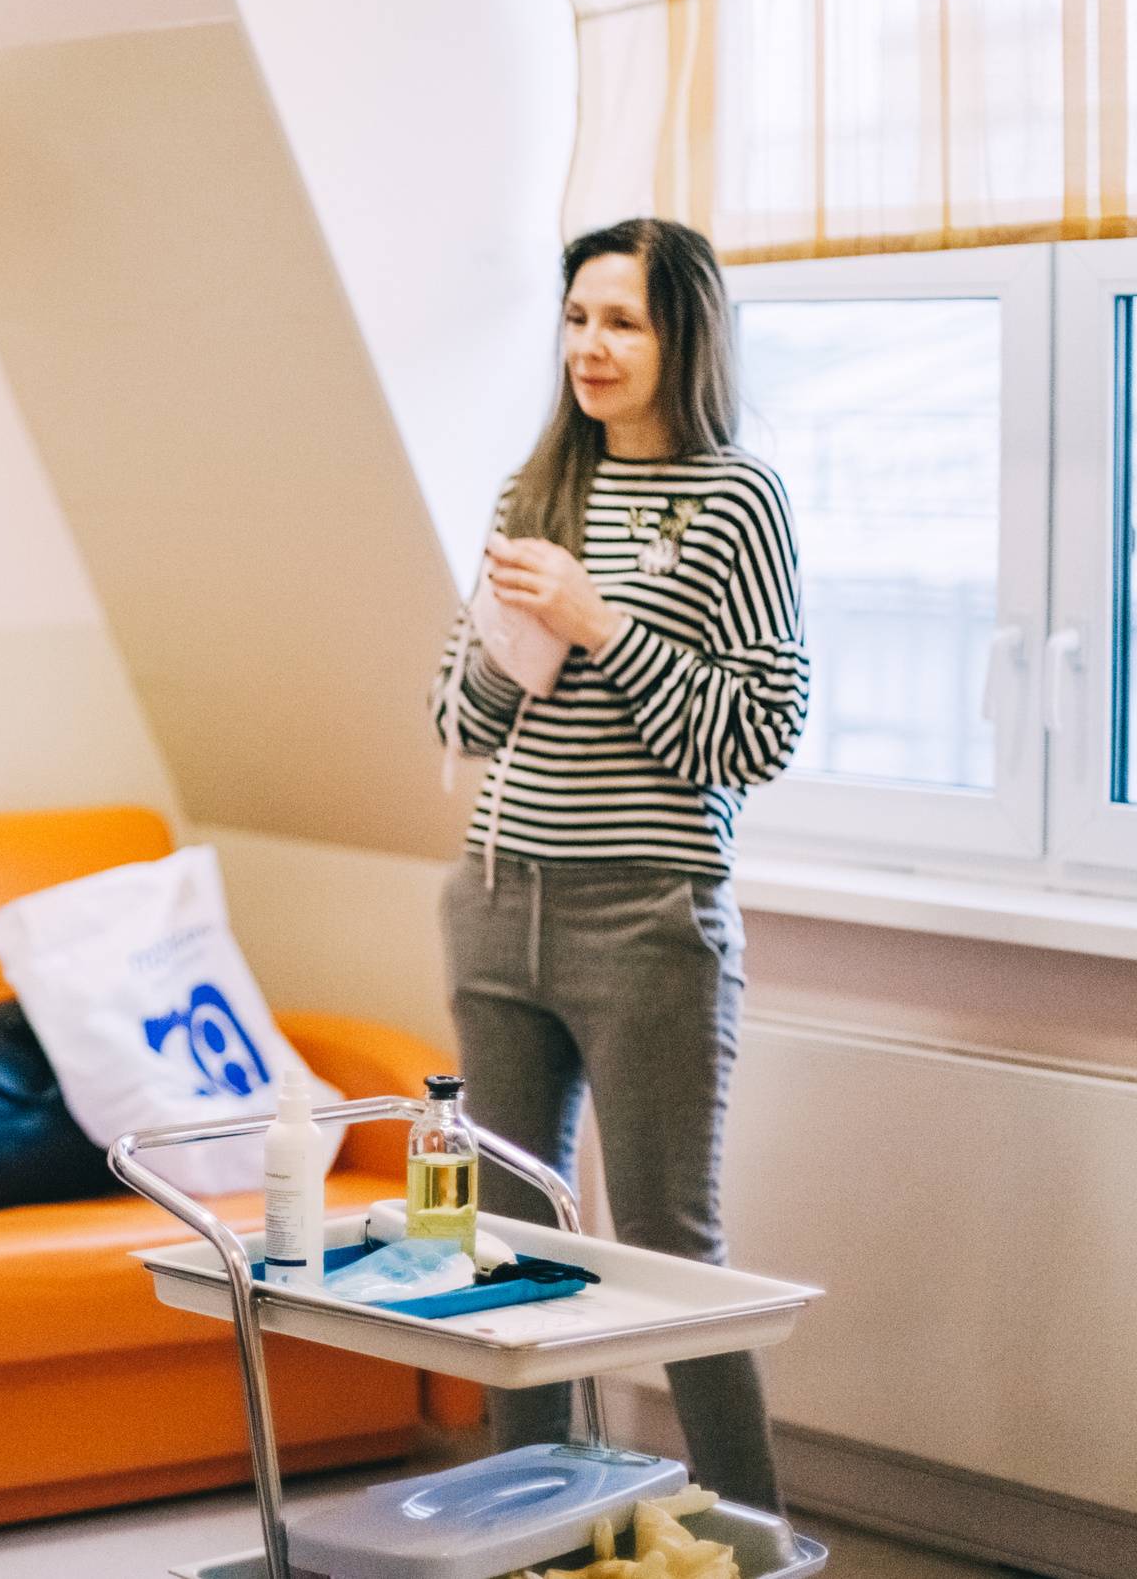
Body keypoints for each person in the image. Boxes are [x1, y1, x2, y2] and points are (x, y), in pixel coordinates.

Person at [428, 217, 807, 1509]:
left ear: (682, 335)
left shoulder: (736, 501)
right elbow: (458, 719)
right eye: (577, 318)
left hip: (649, 918)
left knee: (670, 1248)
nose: (590, 346)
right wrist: (512, 637)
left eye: (623, 322)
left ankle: (751, 1539)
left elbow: (755, 735)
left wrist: (598, 624)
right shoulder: (531, 492)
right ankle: (519, 1528)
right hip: (498, 905)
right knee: (500, 1242)